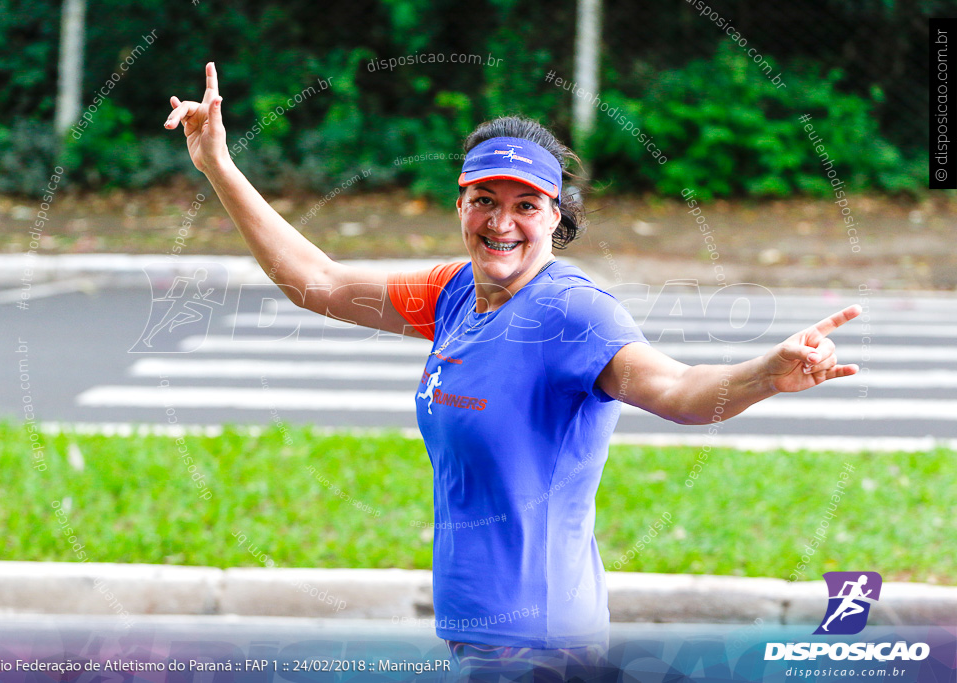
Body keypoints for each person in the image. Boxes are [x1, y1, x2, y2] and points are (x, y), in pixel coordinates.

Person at [164, 62, 862, 680]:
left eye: (526, 204)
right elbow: (315, 280)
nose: (503, 223)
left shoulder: (572, 312)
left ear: (556, 217)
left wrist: (767, 371)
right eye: (486, 201)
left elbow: (676, 390)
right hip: (486, 638)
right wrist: (218, 166)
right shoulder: (454, 294)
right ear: (460, 205)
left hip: (539, 645)